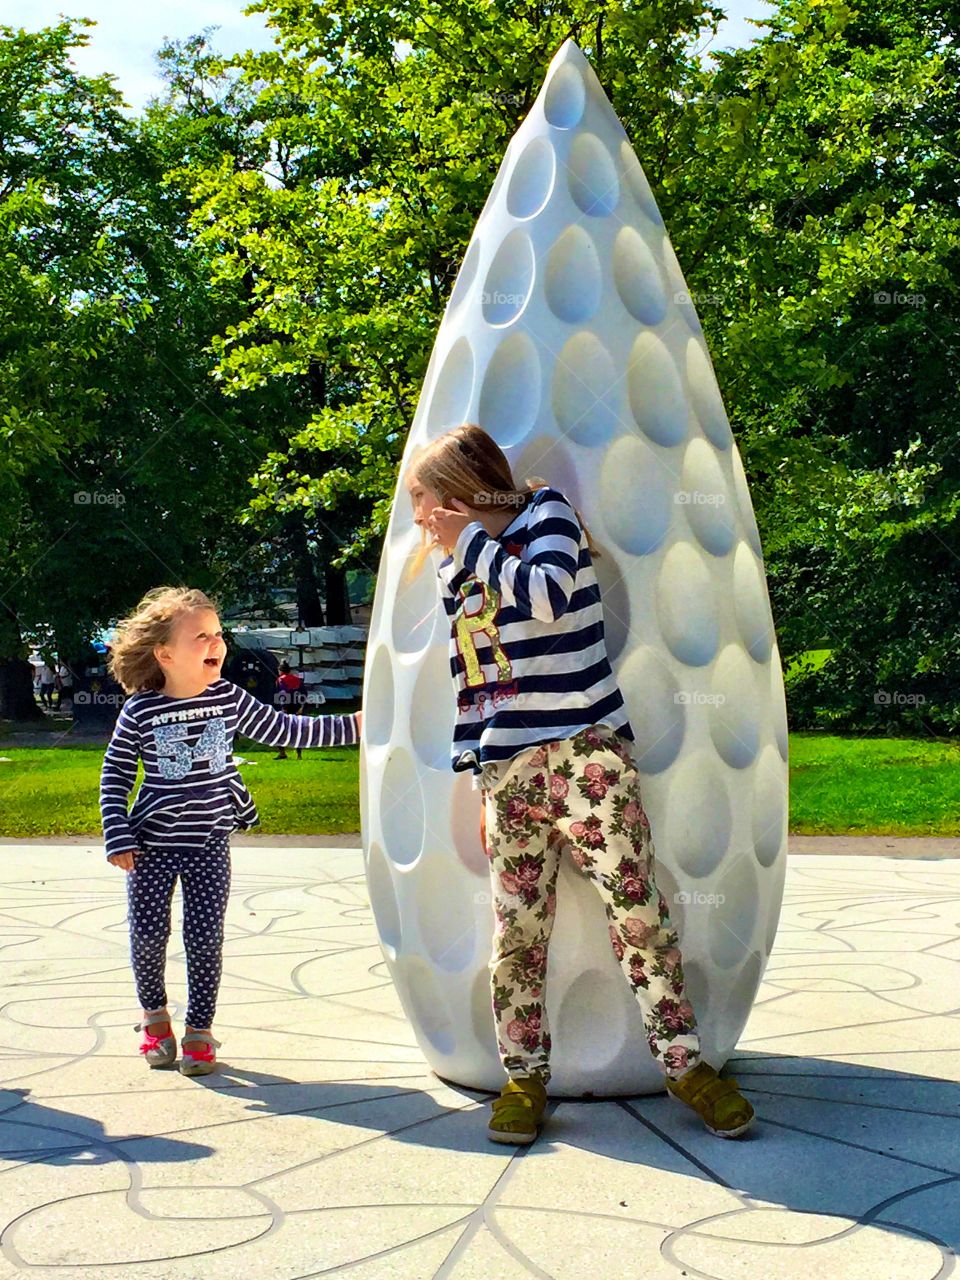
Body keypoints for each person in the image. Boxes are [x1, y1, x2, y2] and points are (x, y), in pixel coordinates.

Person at [403, 424, 755, 1144]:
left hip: (585, 753)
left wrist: (467, 539)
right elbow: (471, 679)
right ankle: (524, 1077)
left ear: (458, 492)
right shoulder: (450, 569)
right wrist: (478, 775)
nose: (416, 517)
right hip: (510, 770)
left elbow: (548, 597)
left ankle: (686, 1067)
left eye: (421, 498)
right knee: (517, 932)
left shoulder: (546, 515)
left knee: (638, 915)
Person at [99, 585, 362, 1077]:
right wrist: (118, 832)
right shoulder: (140, 710)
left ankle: (200, 1028)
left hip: (209, 844)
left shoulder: (227, 697)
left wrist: (356, 725)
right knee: (149, 936)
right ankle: (155, 1020)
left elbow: (288, 730)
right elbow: (114, 775)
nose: (217, 644)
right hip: (152, 846)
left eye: (218, 634)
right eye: (202, 636)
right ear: (166, 653)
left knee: (205, 938)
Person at [274, 661, 305, 760]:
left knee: (280, 730)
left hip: (286, 708)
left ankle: (282, 752)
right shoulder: (298, 680)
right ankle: (299, 755)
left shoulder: (280, 680)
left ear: (280, 671)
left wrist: (284, 708)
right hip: (297, 707)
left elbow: (283, 693)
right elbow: (304, 693)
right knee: (297, 730)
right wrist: (301, 707)